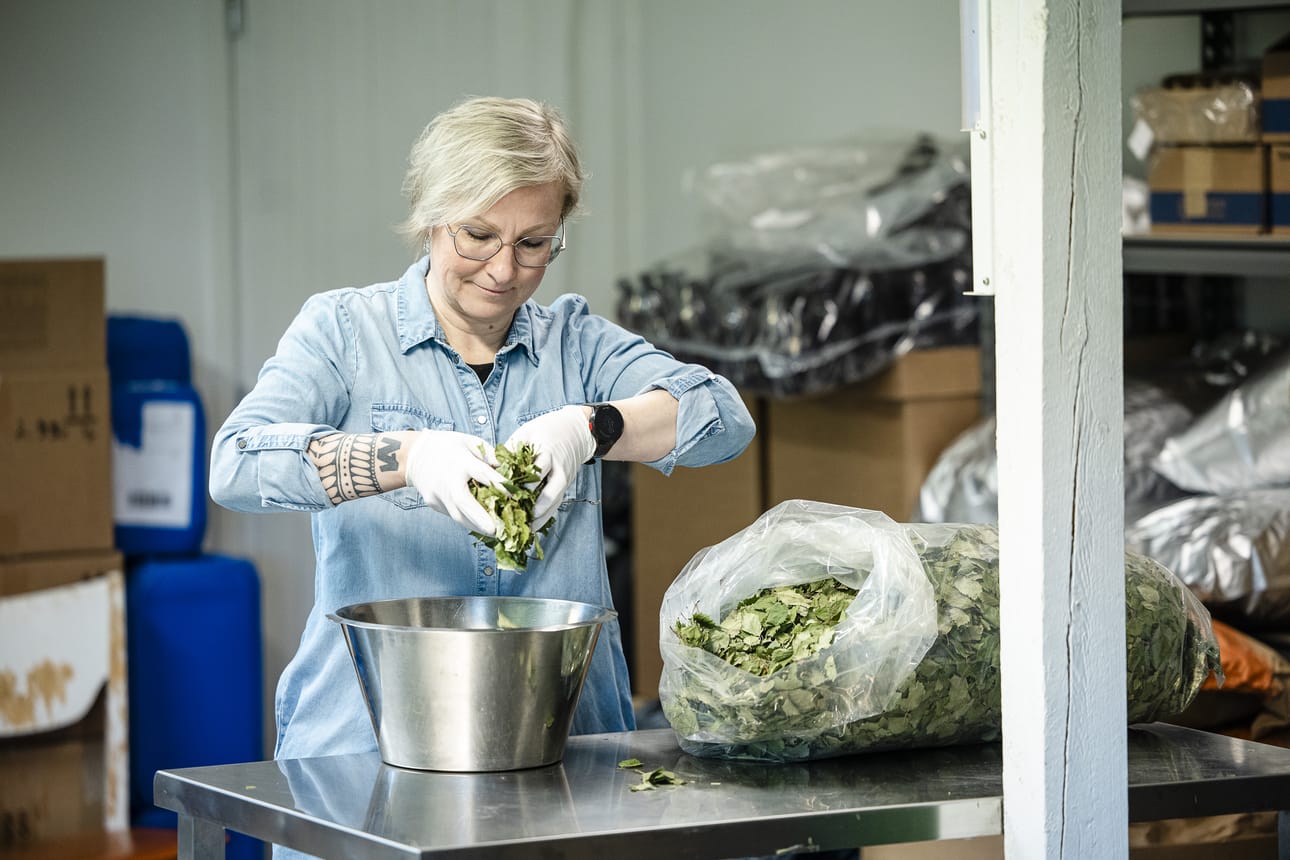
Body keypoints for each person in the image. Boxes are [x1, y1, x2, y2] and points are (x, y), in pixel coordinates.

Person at [208, 93, 756, 827]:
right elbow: (236, 463)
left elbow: (723, 416)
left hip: (567, 756)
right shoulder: (343, 332)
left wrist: (593, 426)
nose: (504, 270)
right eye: (477, 236)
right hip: (366, 755)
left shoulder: (575, 344)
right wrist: (405, 456)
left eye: (534, 243)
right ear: (431, 218)